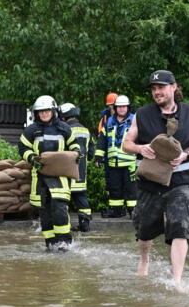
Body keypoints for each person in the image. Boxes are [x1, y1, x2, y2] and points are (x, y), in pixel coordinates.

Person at [121, 70, 189, 292]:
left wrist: (186, 155)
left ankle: (177, 280)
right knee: (145, 230)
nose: (156, 91)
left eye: (161, 87)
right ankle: (145, 259)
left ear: (174, 87)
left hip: (180, 182)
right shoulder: (142, 114)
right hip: (150, 182)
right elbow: (126, 144)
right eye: (153, 88)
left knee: (180, 226)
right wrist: (140, 147)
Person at [18, 95, 81, 252]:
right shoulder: (32, 130)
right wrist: (32, 158)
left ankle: (65, 241)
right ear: (37, 113)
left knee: (59, 209)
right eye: (41, 111)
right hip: (40, 177)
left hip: (60, 177)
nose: (44, 114)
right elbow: (23, 148)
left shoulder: (64, 128)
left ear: (53, 111)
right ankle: (50, 242)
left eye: (47, 111)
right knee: (45, 212)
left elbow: (75, 145)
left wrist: (76, 154)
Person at [95, 94, 137, 218]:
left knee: (131, 189)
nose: (121, 109)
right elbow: (102, 140)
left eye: (124, 107)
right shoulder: (109, 122)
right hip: (113, 162)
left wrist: (140, 159)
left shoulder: (135, 121)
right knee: (114, 188)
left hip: (130, 163)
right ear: (115, 107)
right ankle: (116, 211)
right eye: (119, 107)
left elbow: (141, 140)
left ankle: (133, 211)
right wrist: (98, 157)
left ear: (128, 107)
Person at [59, 102, 94, 232]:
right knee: (82, 198)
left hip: (66, 171)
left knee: (63, 199)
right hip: (81, 172)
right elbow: (91, 152)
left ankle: (64, 226)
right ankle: (85, 224)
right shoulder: (85, 130)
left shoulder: (64, 129)